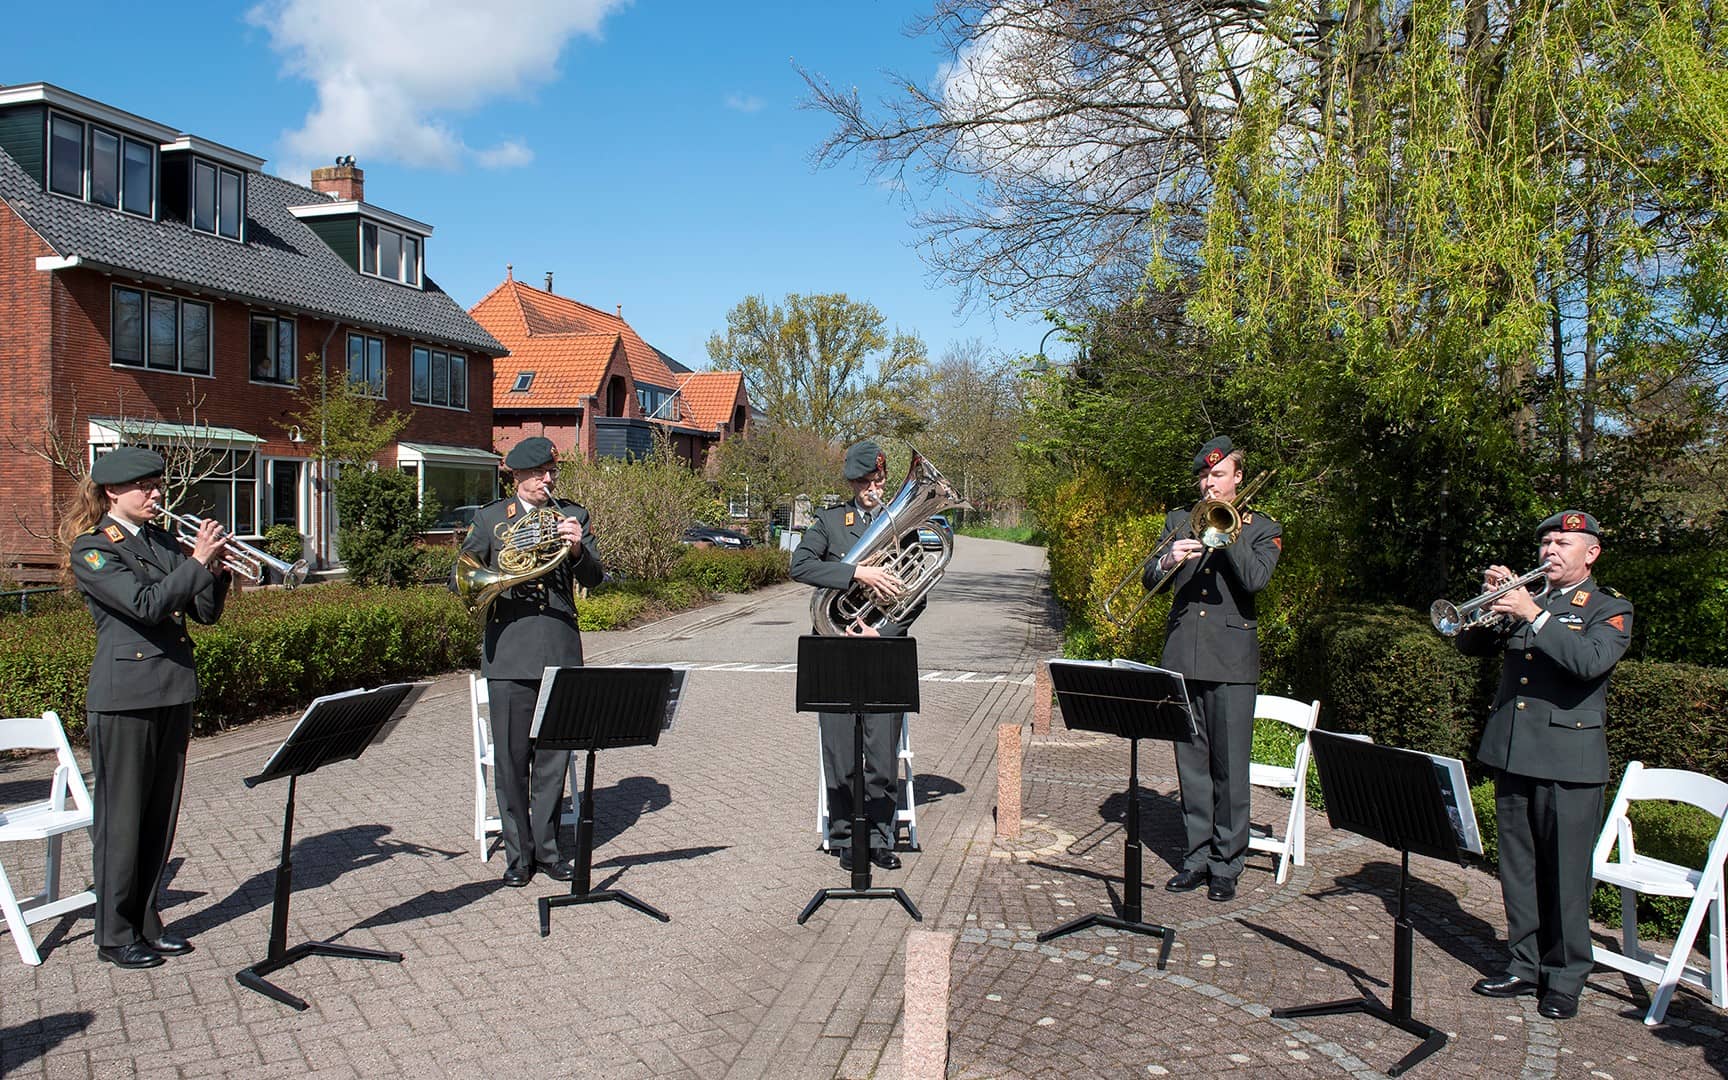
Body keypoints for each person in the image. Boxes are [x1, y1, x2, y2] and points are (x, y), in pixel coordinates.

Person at [1457, 509, 1632, 1021]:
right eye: (1546, 543)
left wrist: (1532, 613)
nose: (1550, 551)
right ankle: (1524, 964)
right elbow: (1468, 644)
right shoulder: (1531, 600)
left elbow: (1589, 662)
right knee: (1518, 869)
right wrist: (1490, 603)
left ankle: (1565, 976)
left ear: (1591, 553)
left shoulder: (1609, 607)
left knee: (1566, 874)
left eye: (1562, 544)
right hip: (1515, 751)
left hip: (1568, 761)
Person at [62, 447, 230, 970]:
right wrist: (195, 563)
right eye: (145, 486)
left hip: (172, 688)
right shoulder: (94, 548)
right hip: (125, 697)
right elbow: (145, 605)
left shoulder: (161, 540)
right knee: (122, 818)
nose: (156, 494)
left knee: (160, 815)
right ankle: (114, 933)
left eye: (158, 485)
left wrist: (215, 569)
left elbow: (203, 614)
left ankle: (147, 920)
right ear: (114, 491)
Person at [456, 436, 603, 887]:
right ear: (517, 476)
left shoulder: (572, 515)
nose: (548, 480)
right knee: (511, 760)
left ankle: (549, 851)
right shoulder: (490, 519)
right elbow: (461, 578)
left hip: (559, 649)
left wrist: (576, 550)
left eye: (551, 472)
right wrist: (500, 578)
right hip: (509, 652)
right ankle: (518, 857)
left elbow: (595, 577)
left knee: (553, 759)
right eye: (539, 474)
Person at [1149, 436, 1281, 903]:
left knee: (1230, 769)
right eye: (1205, 476)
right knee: (1192, 769)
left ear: (1237, 477)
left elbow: (1256, 580)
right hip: (1184, 658)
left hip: (1232, 663)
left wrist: (1227, 535)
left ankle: (1227, 864)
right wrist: (1168, 560)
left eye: (1218, 474)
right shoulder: (1178, 521)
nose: (1209, 483)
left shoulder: (1262, 527)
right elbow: (1149, 578)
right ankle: (1196, 858)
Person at [790, 439, 920, 871]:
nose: (872, 489)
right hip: (835, 651)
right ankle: (846, 836)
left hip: (883, 652)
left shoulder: (903, 526)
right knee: (841, 754)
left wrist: (882, 630)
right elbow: (800, 566)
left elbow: (918, 594)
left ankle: (881, 837)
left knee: (881, 758)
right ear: (851, 482)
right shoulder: (830, 522)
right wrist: (858, 572)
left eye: (878, 481)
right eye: (864, 482)